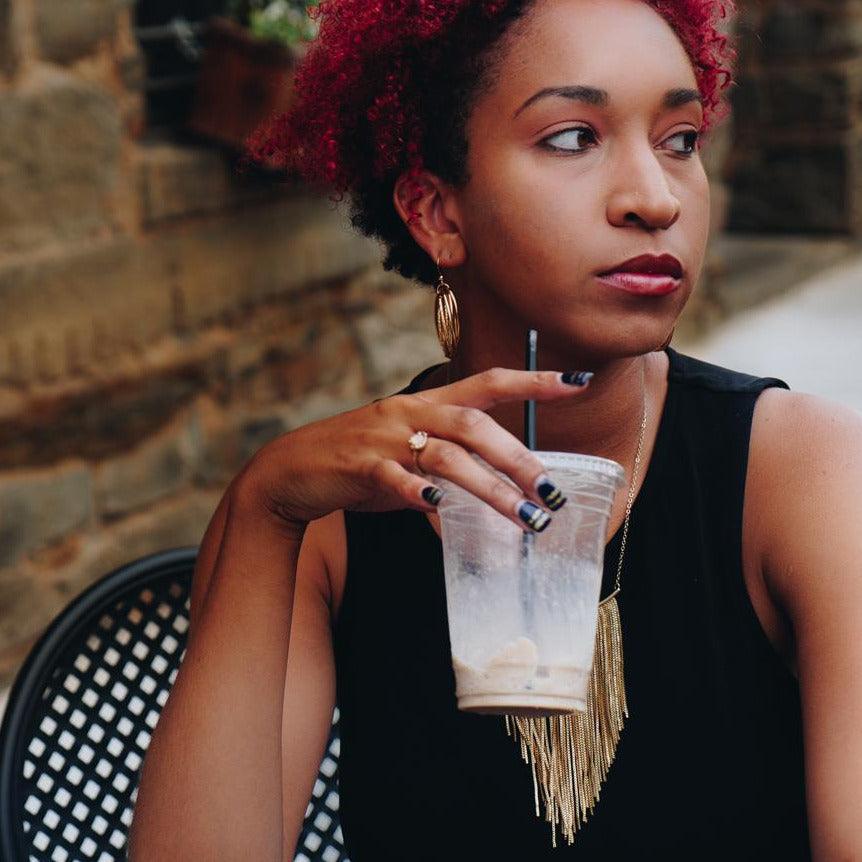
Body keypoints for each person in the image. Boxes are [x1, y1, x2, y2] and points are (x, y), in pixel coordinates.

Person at [128, 0, 862, 859]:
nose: (656, 198)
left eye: (681, 139)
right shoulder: (325, 522)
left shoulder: (803, 476)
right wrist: (263, 508)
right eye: (573, 138)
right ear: (437, 213)